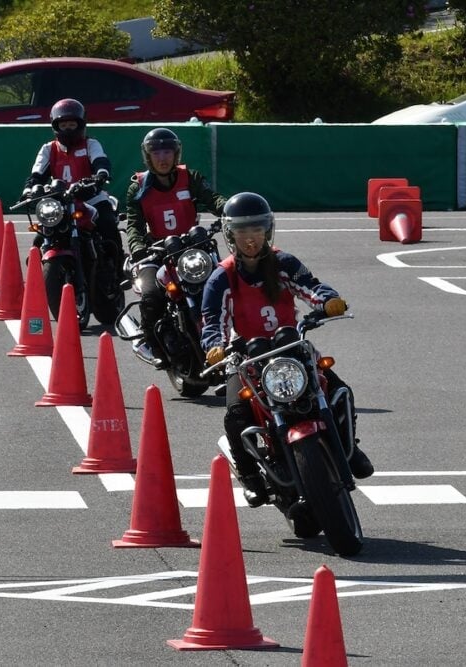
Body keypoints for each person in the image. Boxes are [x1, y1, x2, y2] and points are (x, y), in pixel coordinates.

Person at [200, 192, 374, 507]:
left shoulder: (283, 262)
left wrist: (329, 300)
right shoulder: (220, 278)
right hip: (247, 359)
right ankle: (251, 478)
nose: (250, 239)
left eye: (256, 230)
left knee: (339, 391)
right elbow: (213, 322)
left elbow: (311, 286)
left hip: (292, 348)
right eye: (242, 231)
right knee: (235, 417)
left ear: (267, 231)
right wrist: (215, 347)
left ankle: (350, 448)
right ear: (230, 235)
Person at [125, 127, 226, 368]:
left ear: (176, 154)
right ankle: (147, 339)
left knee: (225, 283)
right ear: (148, 156)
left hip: (192, 248)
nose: (162, 158)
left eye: (167, 151)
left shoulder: (189, 178)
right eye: (156, 152)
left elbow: (212, 198)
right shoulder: (138, 187)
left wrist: (228, 209)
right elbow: (134, 224)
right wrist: (138, 246)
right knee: (151, 294)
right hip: (156, 251)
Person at [21, 98, 124, 269]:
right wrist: (28, 191)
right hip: (60, 202)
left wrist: (100, 176)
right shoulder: (49, 149)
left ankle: (118, 266)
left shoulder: (90, 144)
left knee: (107, 223)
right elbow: (37, 175)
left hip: (90, 198)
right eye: (63, 125)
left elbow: (101, 161)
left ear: (81, 125)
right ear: (56, 127)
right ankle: (37, 271)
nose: (68, 129)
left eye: (71, 125)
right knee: (41, 235)